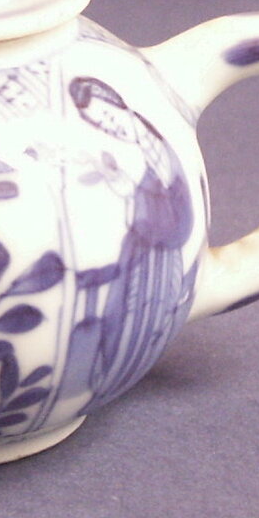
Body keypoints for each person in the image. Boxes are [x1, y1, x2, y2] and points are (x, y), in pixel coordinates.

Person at [61, 76, 195, 413]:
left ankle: (118, 365)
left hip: (157, 252)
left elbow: (172, 204)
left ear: (120, 105)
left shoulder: (157, 146)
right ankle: (106, 368)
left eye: (108, 116)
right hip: (138, 252)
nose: (111, 126)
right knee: (122, 311)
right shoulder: (135, 151)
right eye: (102, 124)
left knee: (141, 310)